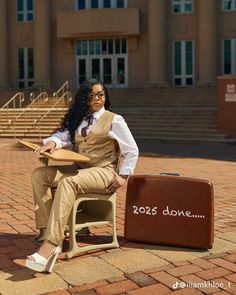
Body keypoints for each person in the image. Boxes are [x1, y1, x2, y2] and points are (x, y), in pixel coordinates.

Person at [25, 79, 139, 273]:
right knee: (40, 175)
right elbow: (63, 137)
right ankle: (46, 231)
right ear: (85, 99)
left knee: (69, 182)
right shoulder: (82, 119)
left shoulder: (114, 120)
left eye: (100, 95)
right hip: (81, 168)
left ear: (105, 97)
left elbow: (132, 150)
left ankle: (52, 244)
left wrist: (123, 176)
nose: (97, 99)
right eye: (92, 95)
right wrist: (52, 143)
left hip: (104, 171)